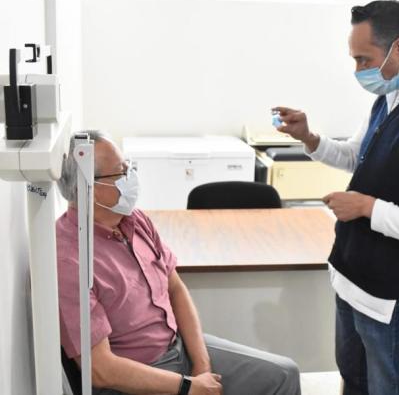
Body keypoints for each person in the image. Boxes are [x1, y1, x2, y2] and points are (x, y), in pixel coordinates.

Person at [274, 0, 399, 395]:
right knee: (353, 381)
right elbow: (358, 155)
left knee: (388, 387)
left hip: (391, 295)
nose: (358, 71)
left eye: (364, 59)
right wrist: (309, 138)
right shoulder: (391, 94)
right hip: (352, 276)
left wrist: (368, 208)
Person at [56, 130, 301, 395]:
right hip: (135, 375)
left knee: (284, 374)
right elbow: (100, 370)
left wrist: (202, 365)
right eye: (121, 172)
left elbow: (175, 288)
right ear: (90, 189)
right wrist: (187, 387)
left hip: (176, 347)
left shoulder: (135, 221)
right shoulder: (69, 260)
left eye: (129, 168)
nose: (131, 177)